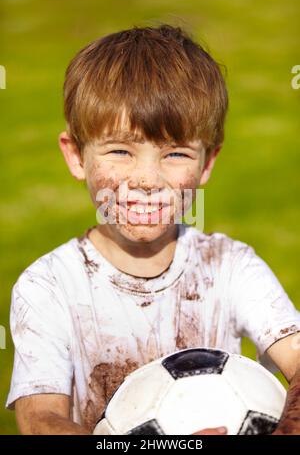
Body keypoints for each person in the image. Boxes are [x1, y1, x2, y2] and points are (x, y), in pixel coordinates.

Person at [6, 24, 300, 435]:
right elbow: (40, 421)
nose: (147, 179)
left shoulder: (231, 267)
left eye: (175, 153)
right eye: (120, 151)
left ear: (207, 163)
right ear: (76, 156)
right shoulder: (49, 286)